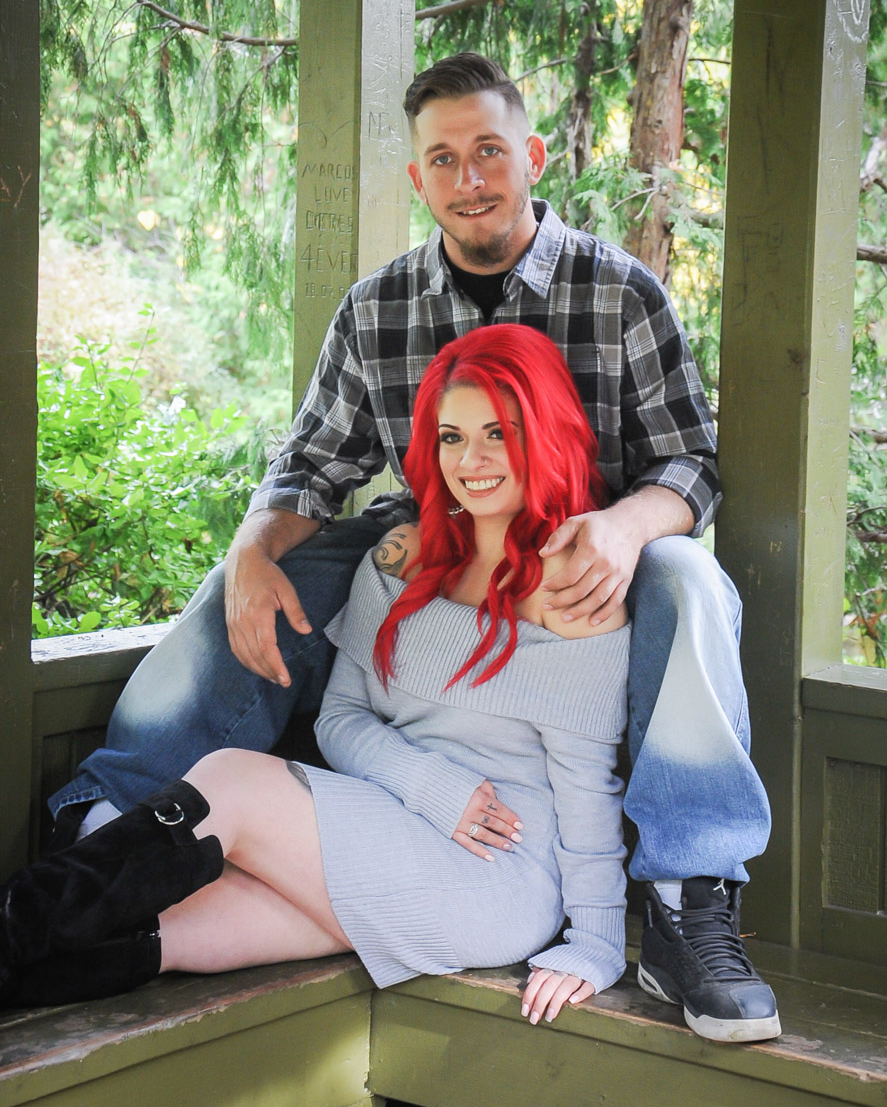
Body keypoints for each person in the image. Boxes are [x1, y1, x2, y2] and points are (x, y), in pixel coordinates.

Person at [47, 52, 778, 1042]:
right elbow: (311, 465)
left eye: (488, 152)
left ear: (531, 156)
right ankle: (110, 822)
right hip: (436, 538)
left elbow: (690, 462)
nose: (468, 179)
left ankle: (690, 896)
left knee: (689, 579)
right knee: (253, 570)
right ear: (417, 178)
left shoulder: (618, 292)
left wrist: (624, 525)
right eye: (443, 159)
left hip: (586, 556)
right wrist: (253, 546)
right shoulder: (377, 308)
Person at [3, 326, 629, 1026]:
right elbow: (341, 719)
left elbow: (588, 791)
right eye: (451, 437)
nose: (471, 461)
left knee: (231, 780)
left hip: (497, 871)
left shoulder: (571, 587)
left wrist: (597, 945)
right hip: (393, 817)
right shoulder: (399, 556)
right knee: (166, 929)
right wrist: (428, 783)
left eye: (498, 434)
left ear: (543, 434)